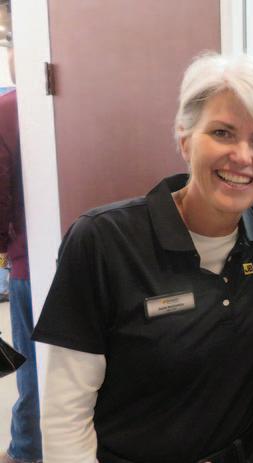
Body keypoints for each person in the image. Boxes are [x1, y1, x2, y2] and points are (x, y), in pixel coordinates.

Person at [31, 52, 253, 462]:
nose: (243, 156)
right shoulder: (103, 241)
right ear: (185, 139)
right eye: (222, 133)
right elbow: (66, 414)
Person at [0, 24, 44, 463]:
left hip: (29, 263)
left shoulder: (7, 110)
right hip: (89, 254)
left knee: (31, 365)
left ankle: (28, 452)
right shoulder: (75, 103)